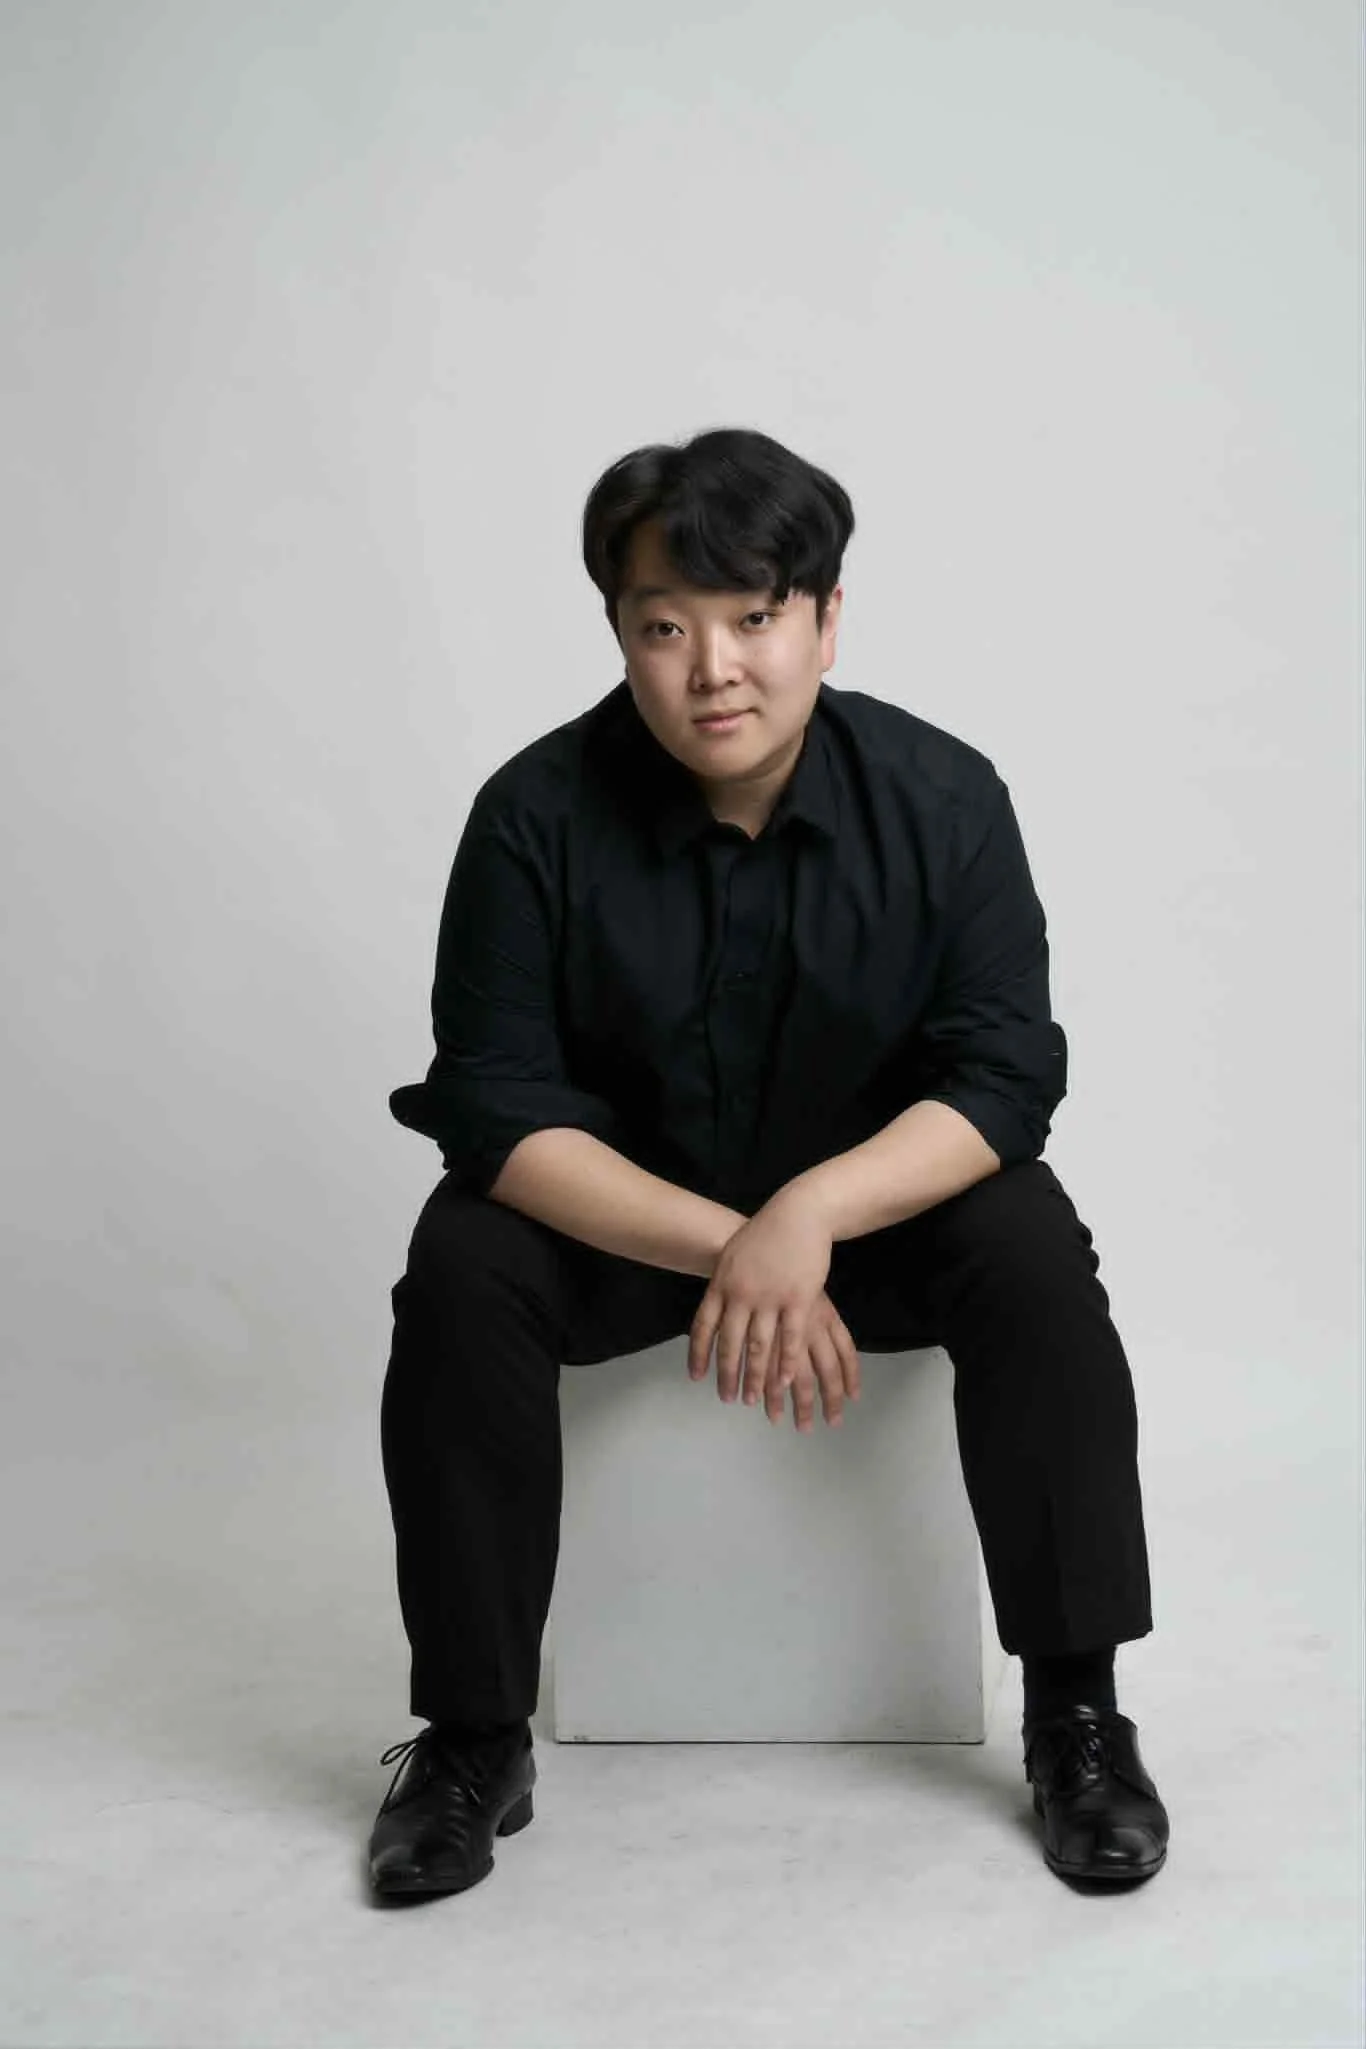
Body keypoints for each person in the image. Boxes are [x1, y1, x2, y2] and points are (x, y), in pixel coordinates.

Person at [369, 426, 1168, 1901]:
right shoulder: (532, 817)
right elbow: (492, 1104)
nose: (711, 667)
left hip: (873, 1216)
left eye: (753, 618)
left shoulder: (942, 800)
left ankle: (1076, 1710)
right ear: (617, 630)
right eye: (664, 627)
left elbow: (1003, 1077)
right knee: (462, 1261)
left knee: (1032, 1252)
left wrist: (805, 1215)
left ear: (824, 617)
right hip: (628, 1225)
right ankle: (473, 1735)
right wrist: (728, 1244)